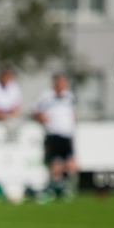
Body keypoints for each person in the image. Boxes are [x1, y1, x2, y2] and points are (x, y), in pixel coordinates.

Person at [32, 72, 78, 201]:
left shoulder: (69, 96)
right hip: (54, 134)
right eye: (61, 82)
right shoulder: (46, 96)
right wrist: (40, 118)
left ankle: (67, 188)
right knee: (56, 164)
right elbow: (34, 110)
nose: (63, 85)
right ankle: (55, 190)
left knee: (71, 164)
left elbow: (72, 112)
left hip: (67, 134)